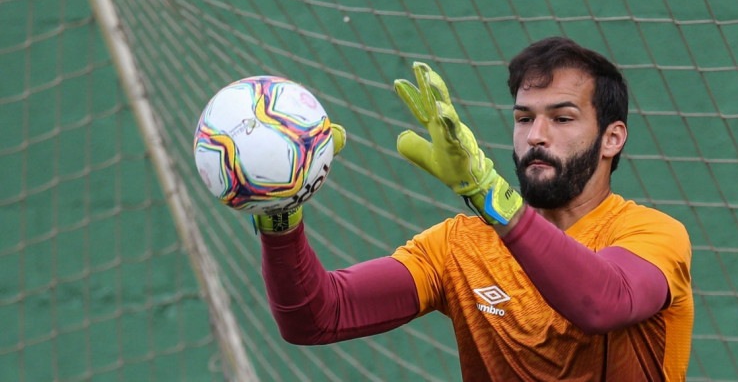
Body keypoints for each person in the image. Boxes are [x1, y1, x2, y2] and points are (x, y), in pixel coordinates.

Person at [254, 36, 693, 381]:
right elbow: (317, 317)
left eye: (562, 118)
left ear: (612, 138)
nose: (536, 135)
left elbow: (602, 304)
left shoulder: (653, 235)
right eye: (524, 118)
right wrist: (280, 212)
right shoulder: (459, 245)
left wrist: (491, 198)